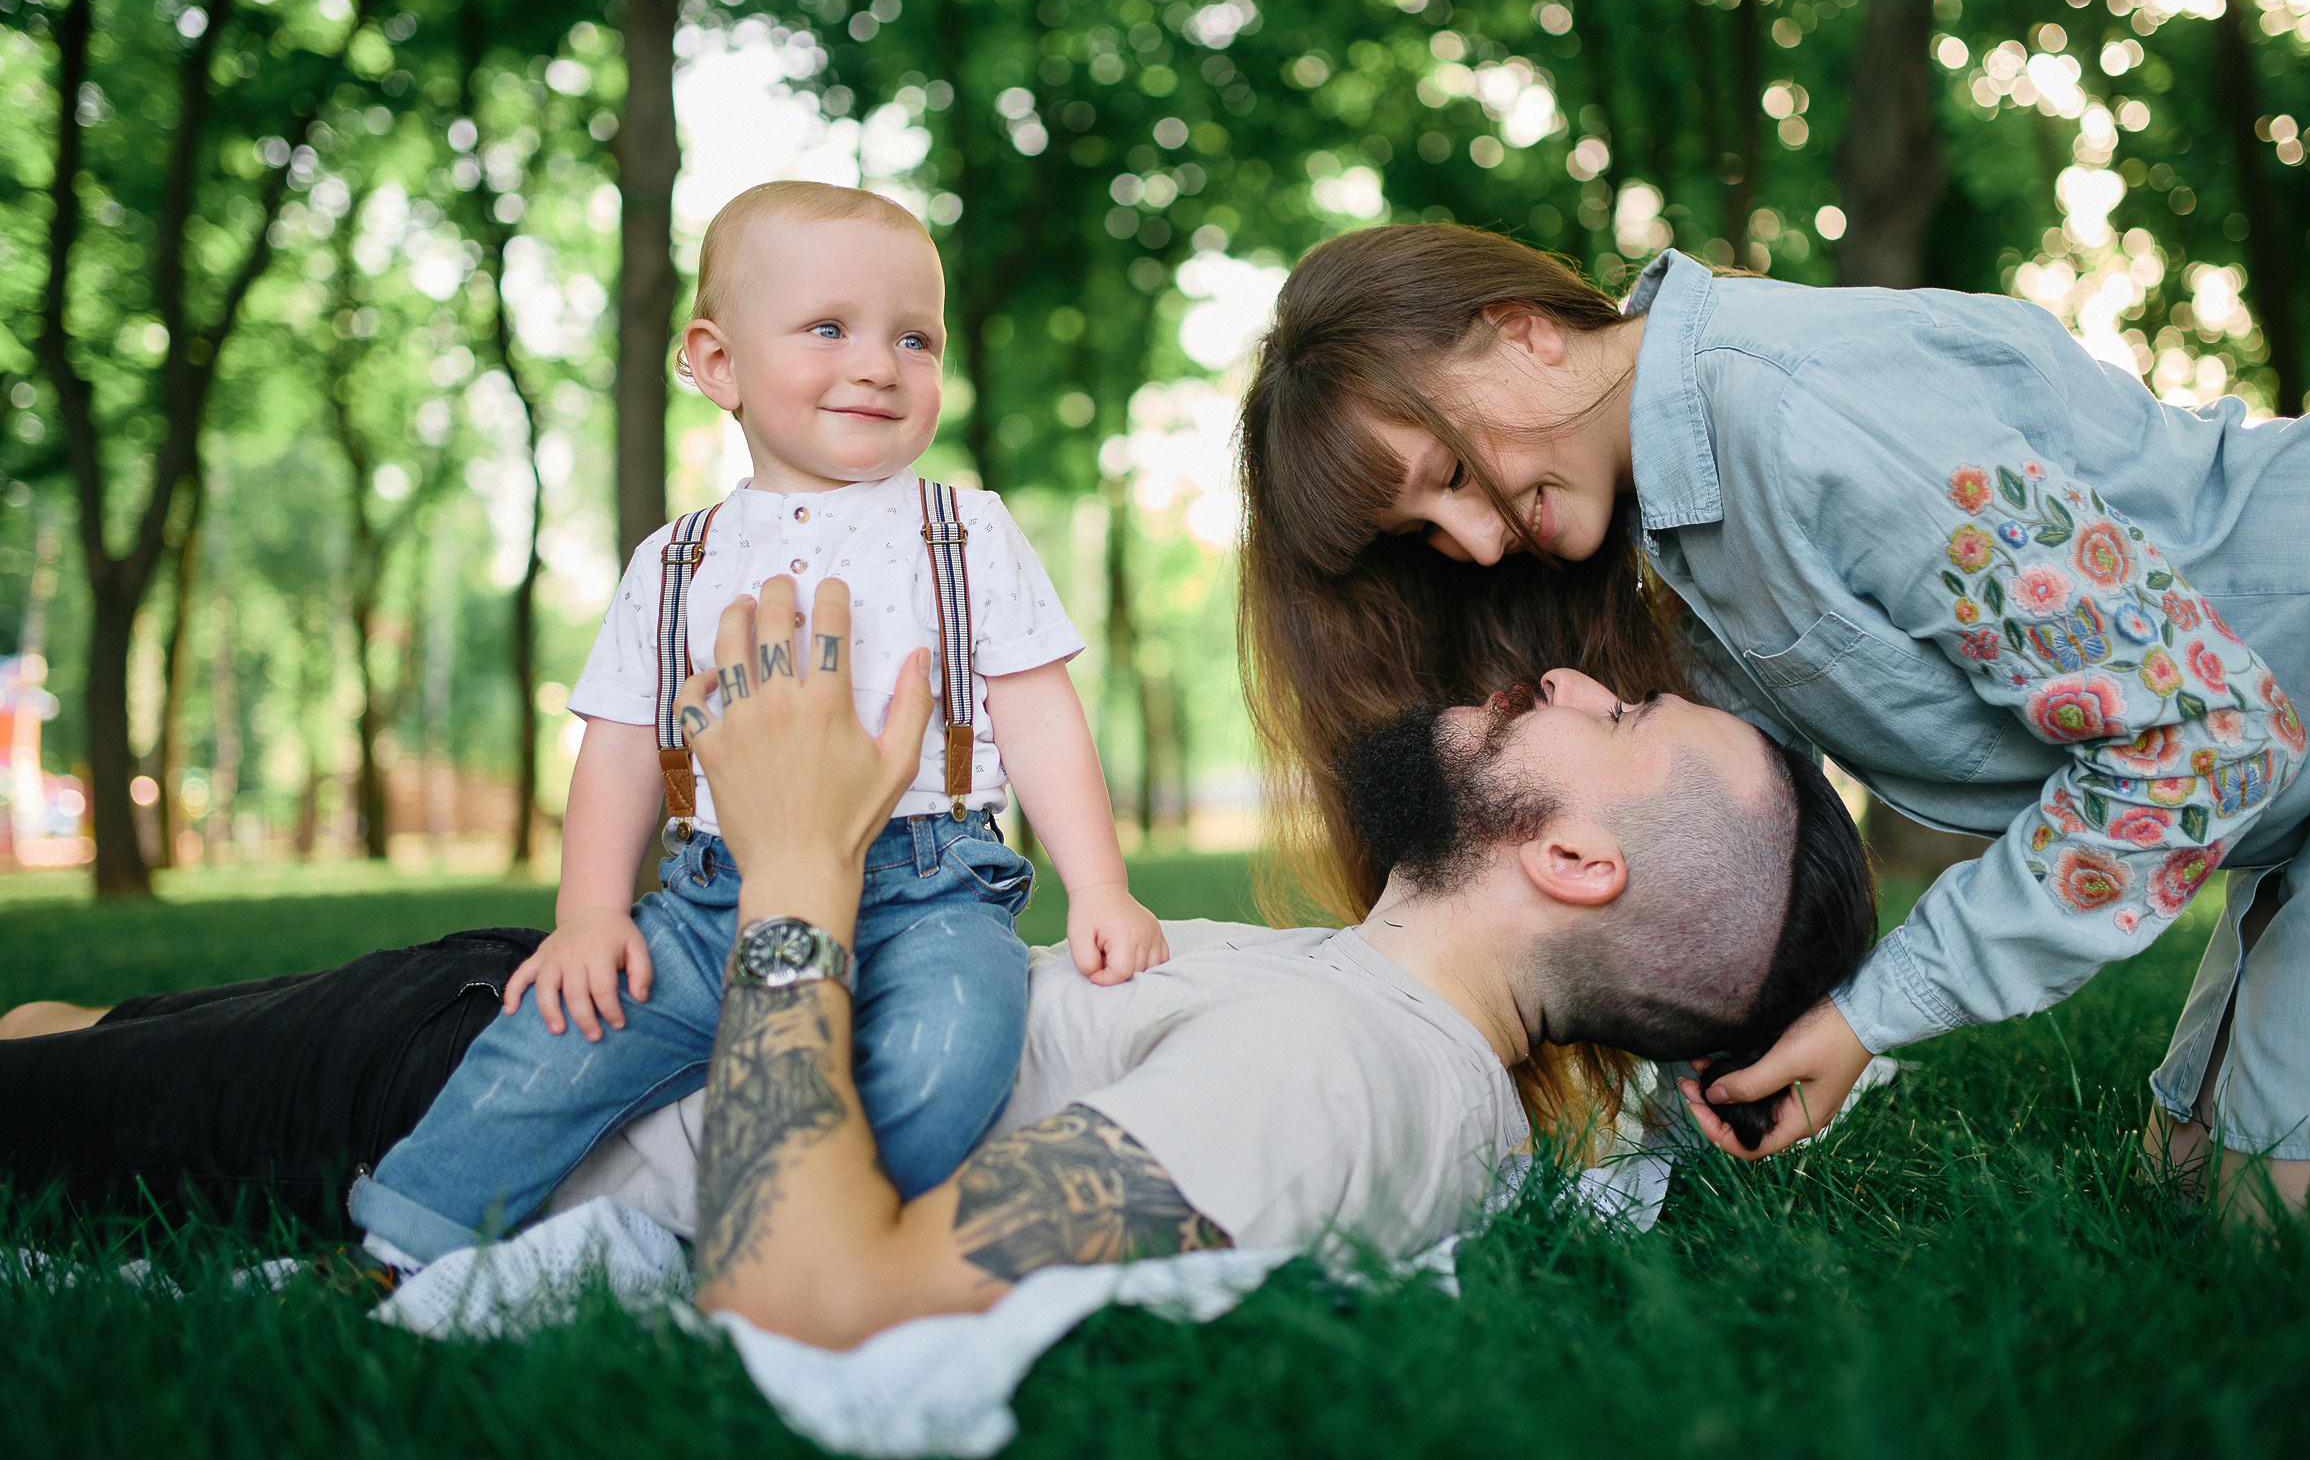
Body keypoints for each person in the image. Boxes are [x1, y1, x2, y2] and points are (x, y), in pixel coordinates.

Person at [0, 577, 1877, 1342]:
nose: (1563, 674)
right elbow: (1718, 1004)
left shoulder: (1337, 1076)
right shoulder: (1416, 1032)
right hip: (583, 1003)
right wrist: (1834, 1026)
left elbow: (826, 1278)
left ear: (1569, 855)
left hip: (479, 1088)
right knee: (59, 1030)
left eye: (1614, 715)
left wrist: (805, 857)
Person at [1237, 223, 2310, 1225]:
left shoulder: (1806, 417)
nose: (1478, 544)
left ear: (1520, 327)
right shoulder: (1682, 523)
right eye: (1425, 531)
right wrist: (1665, 1137)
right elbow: (1720, 863)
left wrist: (1876, 1014)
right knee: (2199, 1194)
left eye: (1446, 468)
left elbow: (2200, 735)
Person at [348, 183, 1166, 1270]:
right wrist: (591, 911)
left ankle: (797, 1241)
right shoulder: (675, 560)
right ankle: (401, 1245)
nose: (878, 363)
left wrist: (1098, 883)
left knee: (950, 1051)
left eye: (914, 338)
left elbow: (1038, 709)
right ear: (717, 362)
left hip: (930, 892)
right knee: (547, 1044)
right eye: (829, 328)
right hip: (707, 898)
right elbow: (623, 743)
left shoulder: (964, 531)